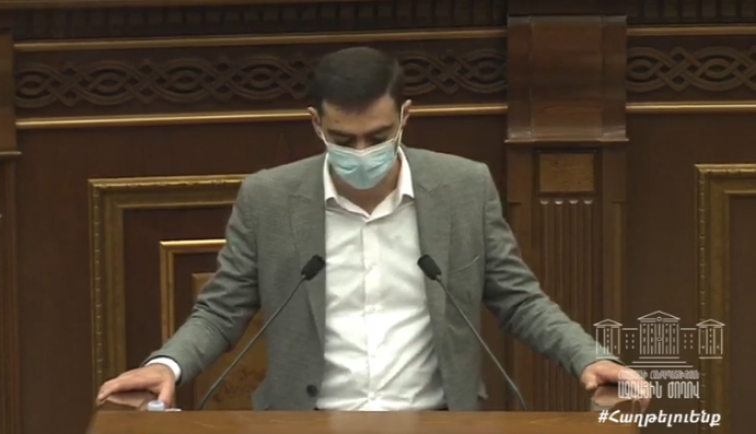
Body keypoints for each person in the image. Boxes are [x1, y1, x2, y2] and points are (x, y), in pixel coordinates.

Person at [97, 46, 645, 411]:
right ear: (316, 124)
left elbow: (519, 301)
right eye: (344, 139)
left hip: (436, 420)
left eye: (378, 137)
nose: (362, 152)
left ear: (406, 117)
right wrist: (168, 365)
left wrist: (589, 357)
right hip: (308, 422)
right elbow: (221, 311)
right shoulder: (269, 198)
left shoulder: (463, 187)